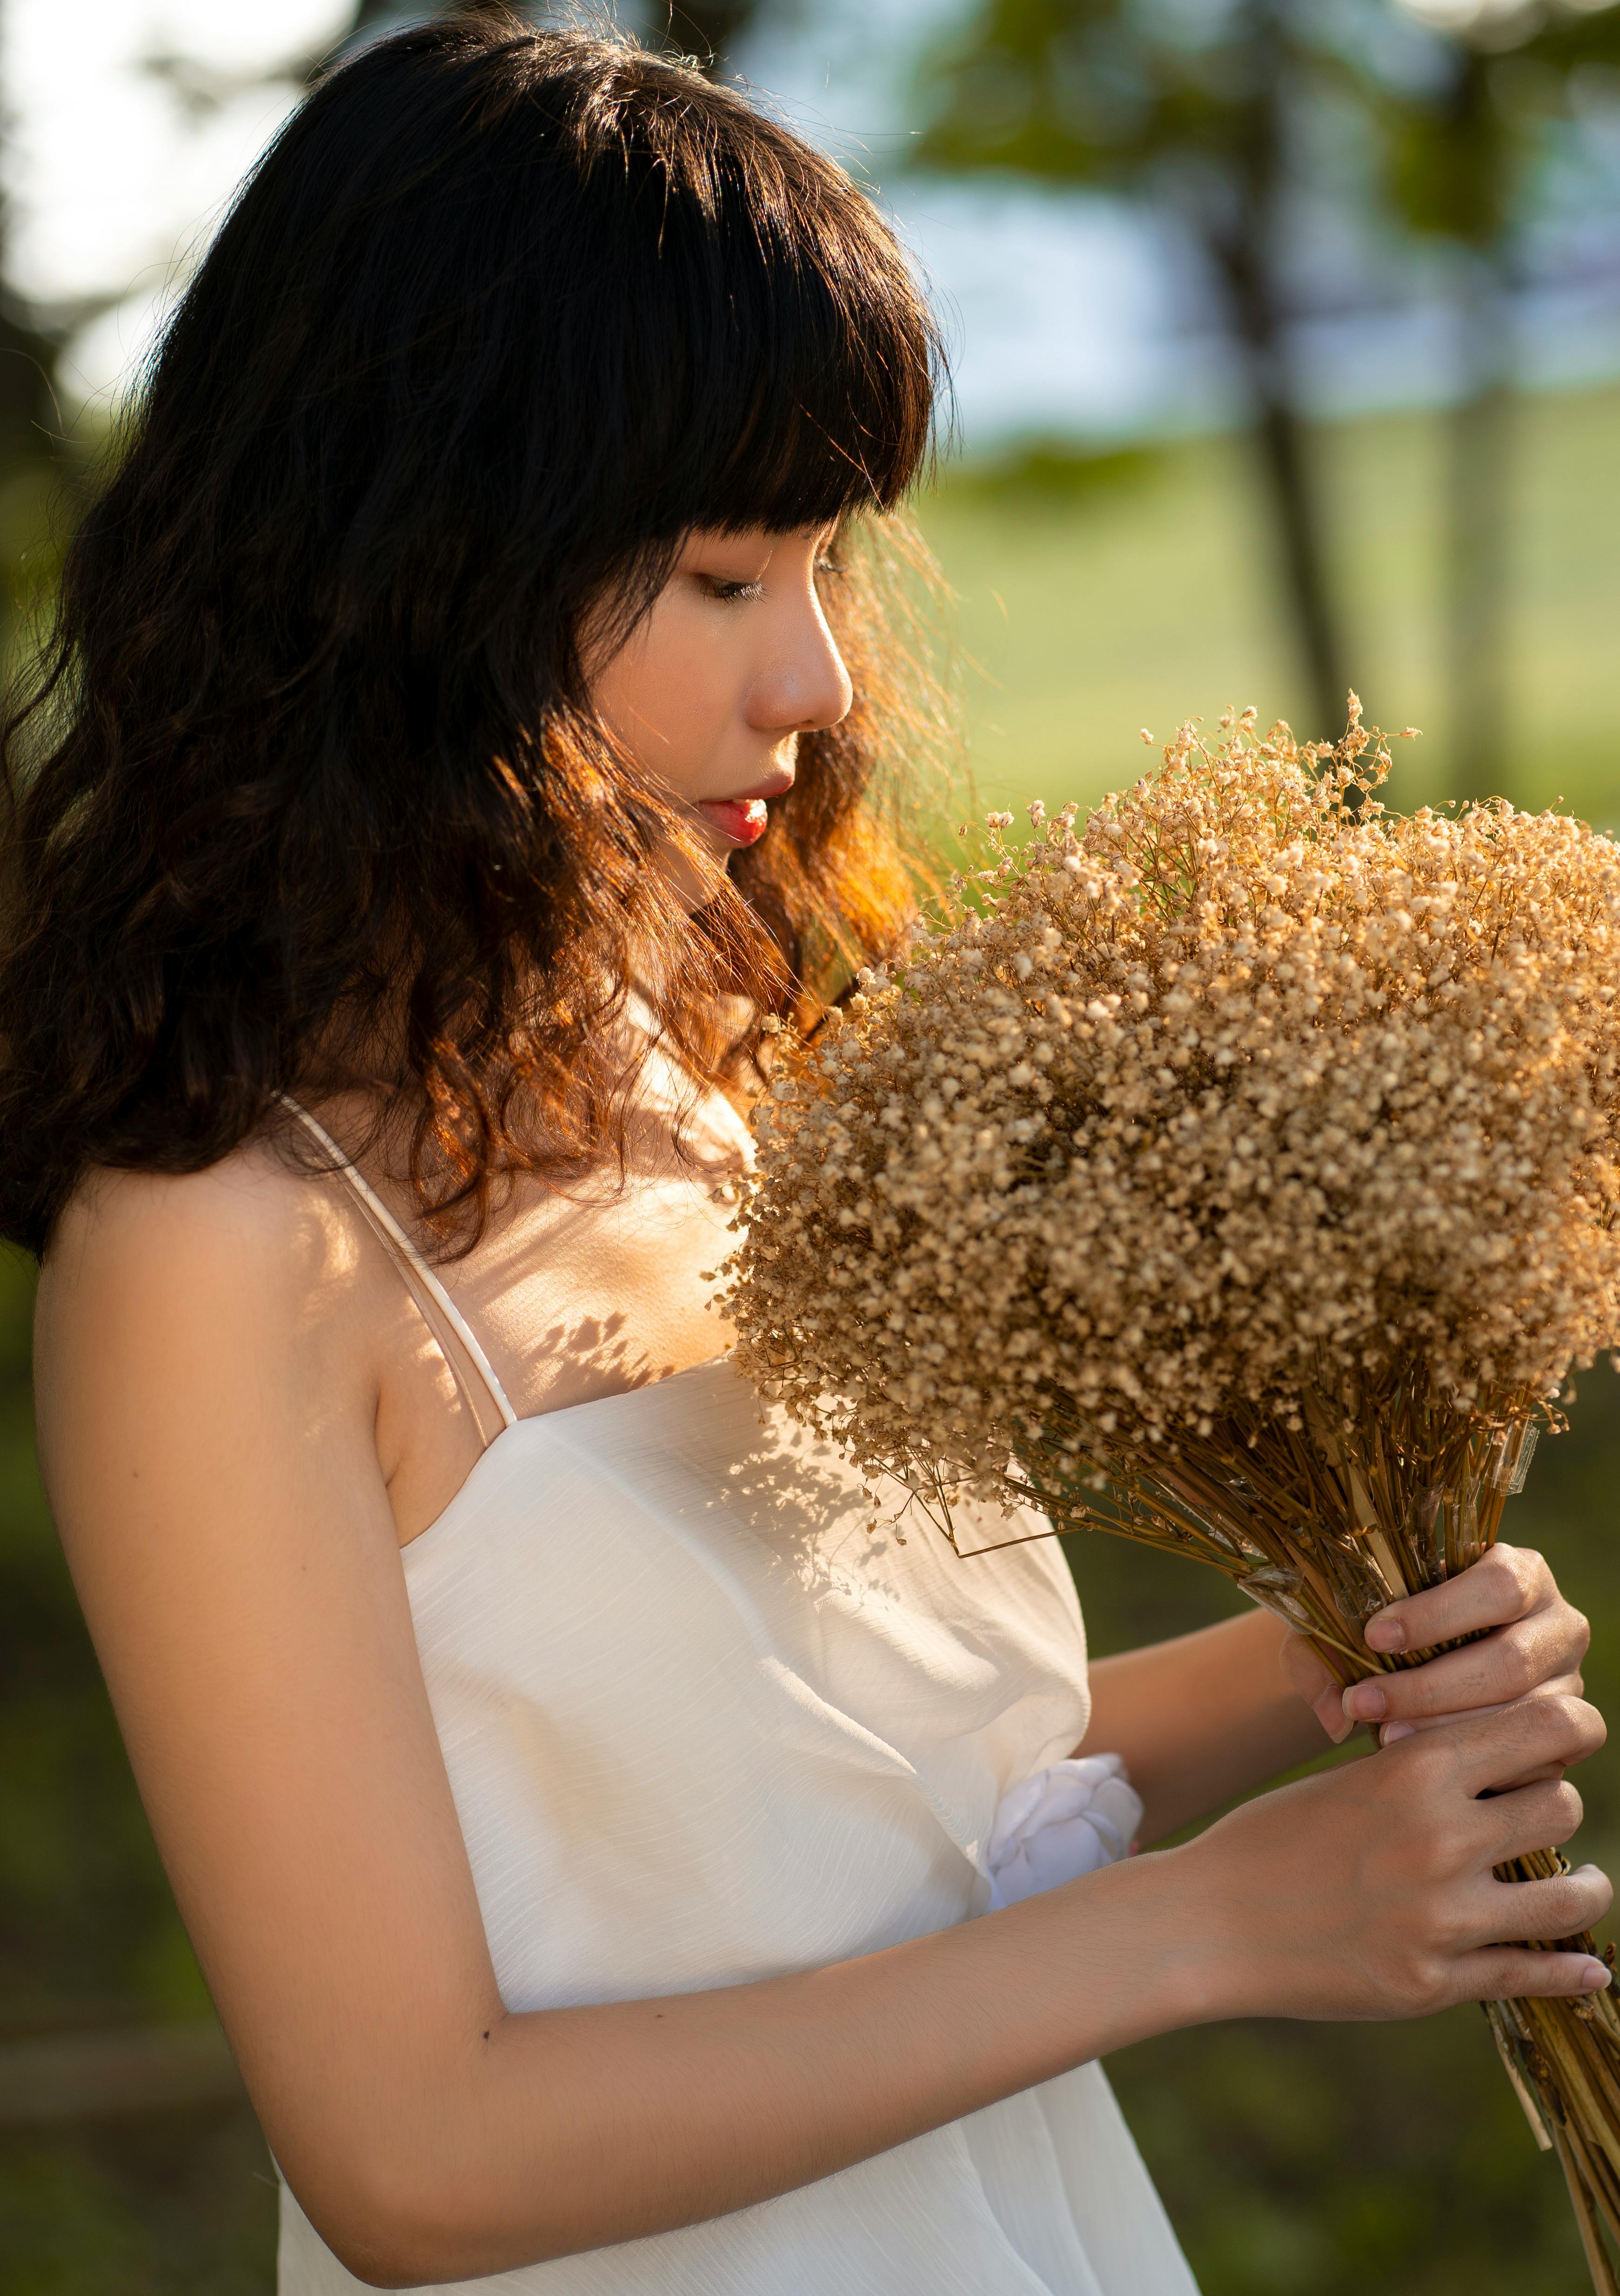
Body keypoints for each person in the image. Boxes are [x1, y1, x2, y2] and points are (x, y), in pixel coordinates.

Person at [5, 17, 1606, 2295]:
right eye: (726, 575)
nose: (825, 680)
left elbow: (877, 1833)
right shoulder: (219, 1248)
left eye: (828, 563)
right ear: (410, 569)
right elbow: (413, 2153)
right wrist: (1210, 1931)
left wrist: (1326, 1663)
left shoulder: (712, 1067)